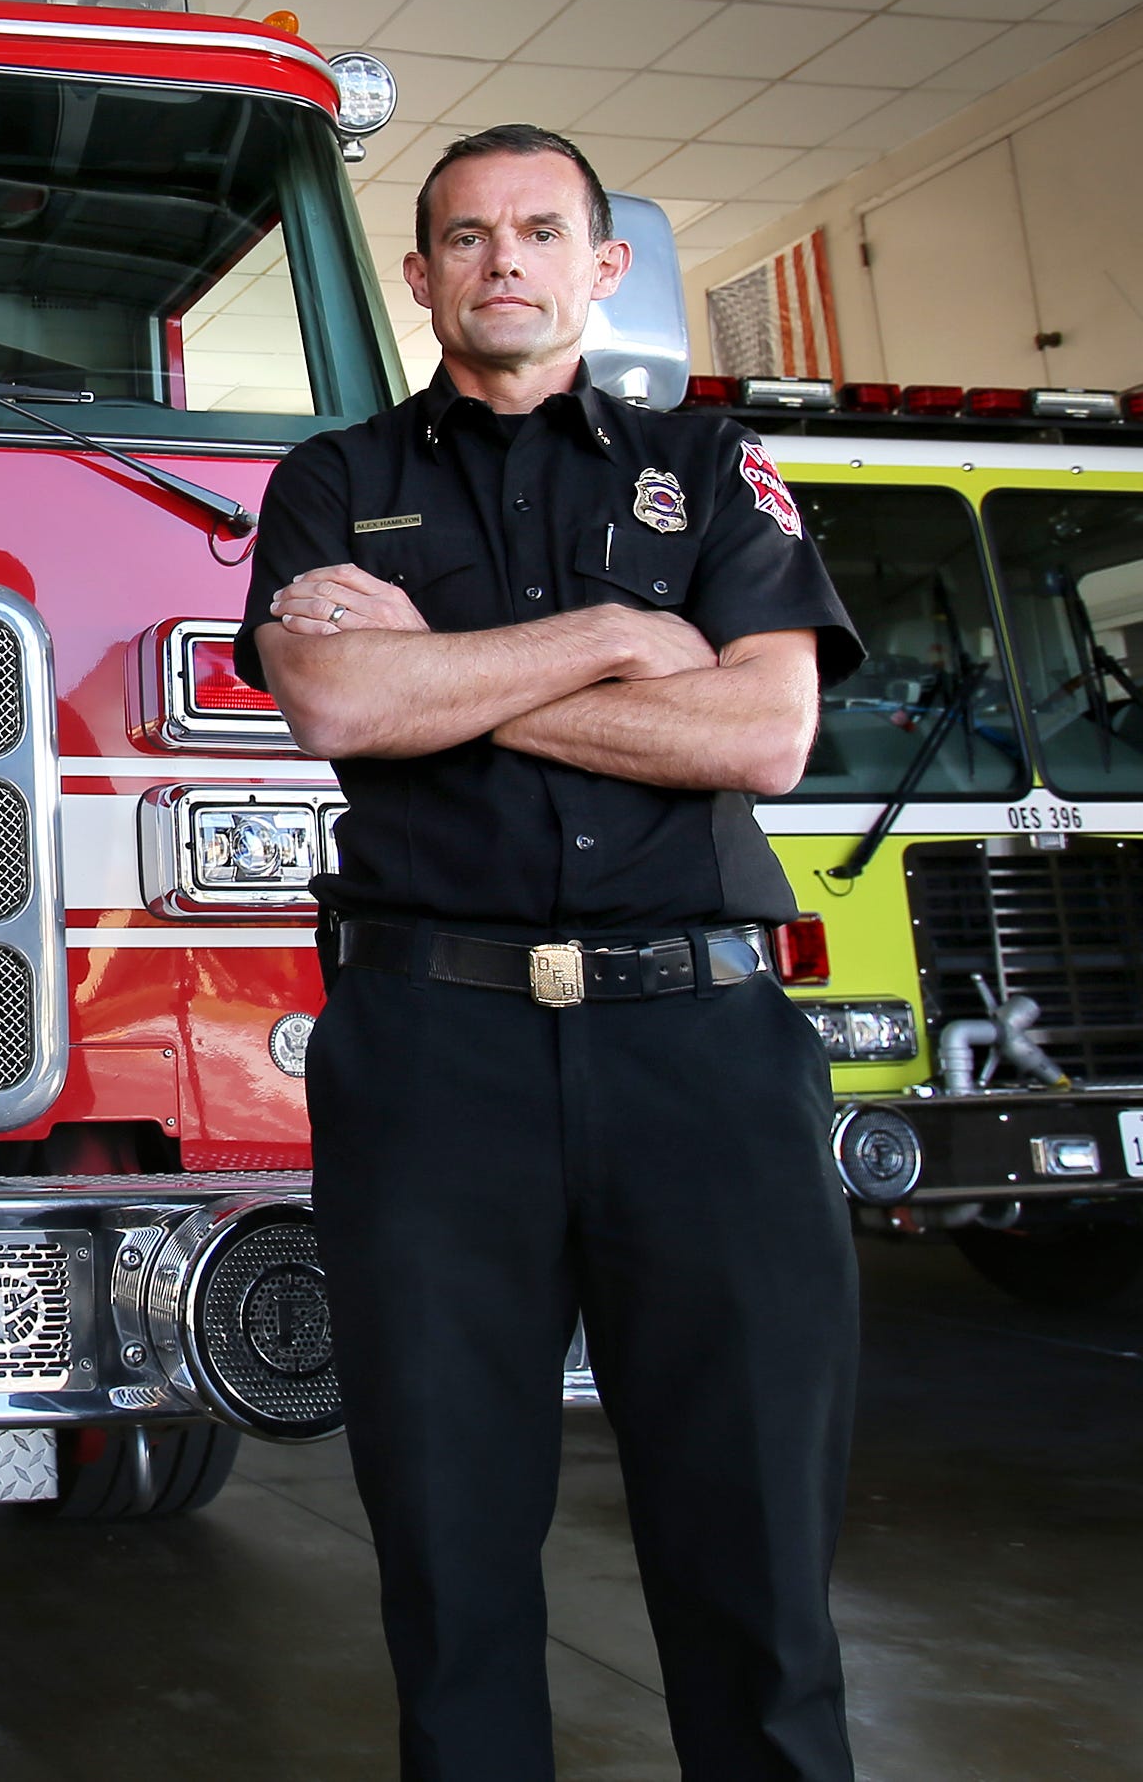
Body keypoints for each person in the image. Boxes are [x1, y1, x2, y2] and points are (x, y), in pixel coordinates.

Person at [238, 123, 865, 1782]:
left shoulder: (716, 472)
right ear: (421, 273)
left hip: (704, 1057)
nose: (501, 256)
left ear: (602, 267)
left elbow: (765, 734)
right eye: (464, 234)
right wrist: (607, 641)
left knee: (758, 1553)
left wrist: (454, 674)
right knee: (450, 1555)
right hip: (437, 1061)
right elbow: (341, 703)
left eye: (538, 230)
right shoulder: (330, 484)